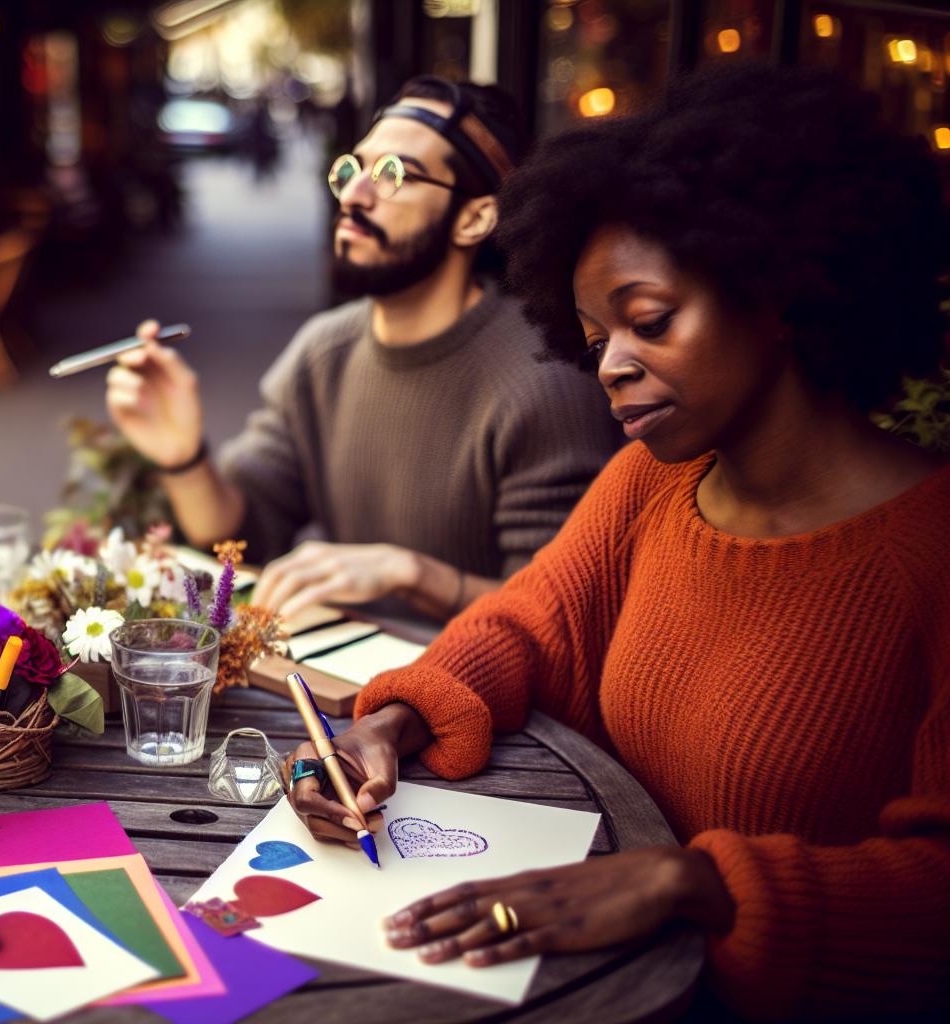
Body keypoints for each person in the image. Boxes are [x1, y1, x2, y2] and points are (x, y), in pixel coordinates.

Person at [281, 64, 949, 1018]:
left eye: (649, 322)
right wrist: (388, 725)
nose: (612, 367)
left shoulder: (931, 552)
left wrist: (694, 882)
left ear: (778, 294)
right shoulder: (653, 483)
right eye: (594, 339)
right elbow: (524, 627)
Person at [105, 77, 617, 623]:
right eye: (353, 169)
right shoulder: (324, 351)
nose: (352, 195)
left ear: (475, 218)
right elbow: (240, 535)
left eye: (395, 174)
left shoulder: (543, 381)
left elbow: (561, 617)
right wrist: (183, 457)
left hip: (472, 677)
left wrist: (413, 574)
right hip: (339, 666)